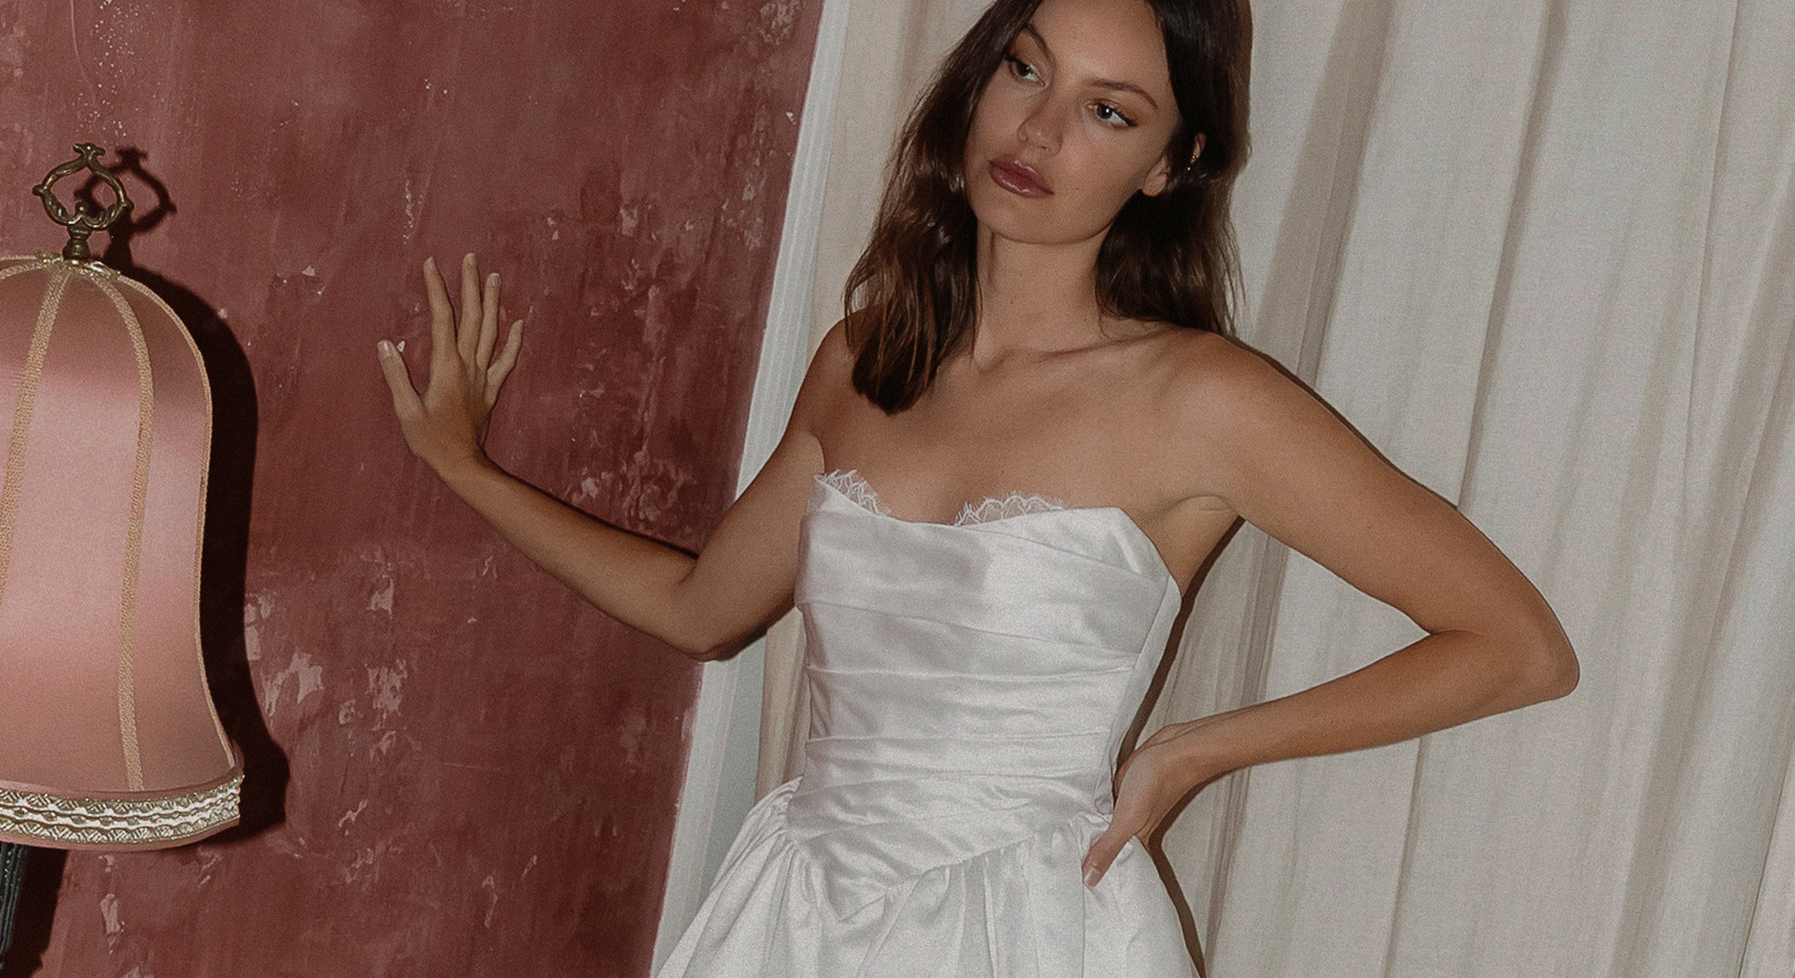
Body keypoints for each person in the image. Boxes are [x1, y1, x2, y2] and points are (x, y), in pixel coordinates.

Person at [377, 0, 1578, 972]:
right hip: (798, 916)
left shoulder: (1199, 398)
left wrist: (1194, 753)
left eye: (1107, 111)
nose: (1039, 132)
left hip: (1031, 934)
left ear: (1171, 165)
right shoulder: (864, 357)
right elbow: (704, 609)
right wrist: (464, 467)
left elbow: (1514, 646)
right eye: (1023, 68)